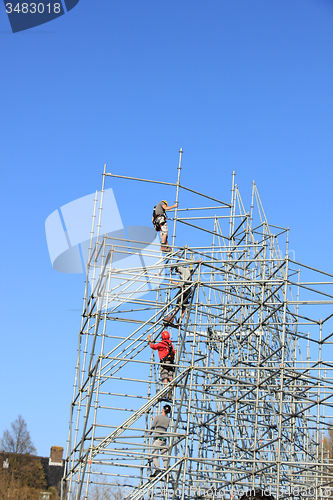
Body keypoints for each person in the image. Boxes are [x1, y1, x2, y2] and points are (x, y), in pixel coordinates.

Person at [147, 331, 175, 400]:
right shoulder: (170, 344)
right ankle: (170, 391)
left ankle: (165, 391)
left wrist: (149, 339)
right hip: (171, 362)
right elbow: (173, 352)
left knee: (165, 377)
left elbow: (153, 346)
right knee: (170, 377)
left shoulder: (162, 344)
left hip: (164, 362)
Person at [149, 404, 171, 477]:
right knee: (164, 456)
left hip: (157, 439)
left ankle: (158, 469)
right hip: (164, 440)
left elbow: (153, 426)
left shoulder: (158, 417)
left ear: (163, 410)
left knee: (154, 454)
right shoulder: (168, 420)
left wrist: (150, 432)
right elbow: (162, 425)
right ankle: (166, 470)